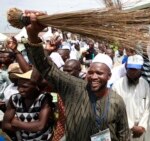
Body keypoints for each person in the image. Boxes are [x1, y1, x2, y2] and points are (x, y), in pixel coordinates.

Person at [22, 10, 130, 141]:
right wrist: (33, 35)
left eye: (99, 73)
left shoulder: (117, 101)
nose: (94, 76)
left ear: (109, 76)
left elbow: (123, 134)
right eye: (91, 72)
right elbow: (47, 68)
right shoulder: (74, 88)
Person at [2, 70, 54, 141]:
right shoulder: (15, 99)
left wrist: (17, 123)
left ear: (36, 86)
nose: (19, 89)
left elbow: (40, 126)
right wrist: (32, 125)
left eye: (24, 87)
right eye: (18, 86)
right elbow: (5, 125)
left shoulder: (44, 98)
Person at [112, 55, 150, 141]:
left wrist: (142, 126)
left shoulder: (145, 84)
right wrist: (132, 126)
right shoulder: (117, 85)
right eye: (130, 69)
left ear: (141, 69)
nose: (132, 72)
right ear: (126, 68)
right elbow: (116, 109)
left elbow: (148, 107)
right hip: (123, 129)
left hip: (141, 130)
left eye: (136, 69)